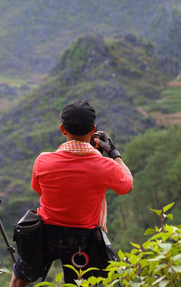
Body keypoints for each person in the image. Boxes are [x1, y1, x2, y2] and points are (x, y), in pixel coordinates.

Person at [10, 100, 133, 286]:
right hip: (83, 240)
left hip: (45, 234)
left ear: (62, 129)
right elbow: (127, 185)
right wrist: (114, 153)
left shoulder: (43, 161)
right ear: (94, 130)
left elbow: (38, 190)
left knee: (19, 280)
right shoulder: (105, 166)